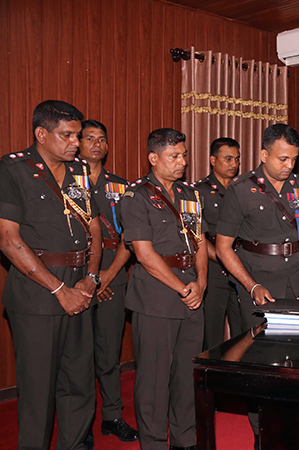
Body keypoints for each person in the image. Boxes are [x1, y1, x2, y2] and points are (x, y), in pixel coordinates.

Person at [0, 100, 102, 449]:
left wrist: (91, 278)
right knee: (38, 392)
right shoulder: (13, 169)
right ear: (41, 134)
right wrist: (60, 289)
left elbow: (94, 228)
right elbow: (9, 240)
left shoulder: (79, 172)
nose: (76, 142)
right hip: (38, 291)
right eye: (67, 135)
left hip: (80, 284)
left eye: (78, 135)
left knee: (79, 385)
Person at [120, 128, 208, 450]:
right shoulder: (136, 196)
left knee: (187, 376)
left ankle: (185, 441)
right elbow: (143, 254)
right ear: (153, 158)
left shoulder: (190, 195)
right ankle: (154, 443)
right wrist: (183, 288)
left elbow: (199, 242)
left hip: (191, 295)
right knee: (154, 382)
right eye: (174, 156)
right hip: (156, 298)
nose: (182, 161)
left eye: (184, 154)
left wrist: (201, 282)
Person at [216, 124, 299, 322]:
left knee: (298, 348)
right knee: (258, 347)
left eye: (294, 159)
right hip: (258, 281)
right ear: (264, 156)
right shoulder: (240, 189)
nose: (289, 166)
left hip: (298, 281)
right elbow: (223, 247)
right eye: (283, 159)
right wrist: (252, 286)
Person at [78, 120, 138, 442]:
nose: (98, 144)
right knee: (79, 355)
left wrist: (110, 275)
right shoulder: (65, 181)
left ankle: (112, 416)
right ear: (78, 142)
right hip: (78, 279)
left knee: (108, 352)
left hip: (112, 276)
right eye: (90, 138)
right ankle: (82, 423)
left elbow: (131, 238)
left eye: (102, 139)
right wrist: (90, 277)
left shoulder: (120, 186)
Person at [194, 137, 243, 348]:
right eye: (228, 159)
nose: (234, 164)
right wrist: (225, 259)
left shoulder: (243, 189)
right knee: (211, 335)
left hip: (241, 271)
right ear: (213, 160)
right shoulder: (198, 192)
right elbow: (198, 236)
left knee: (244, 333)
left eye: (237, 159)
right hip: (214, 270)